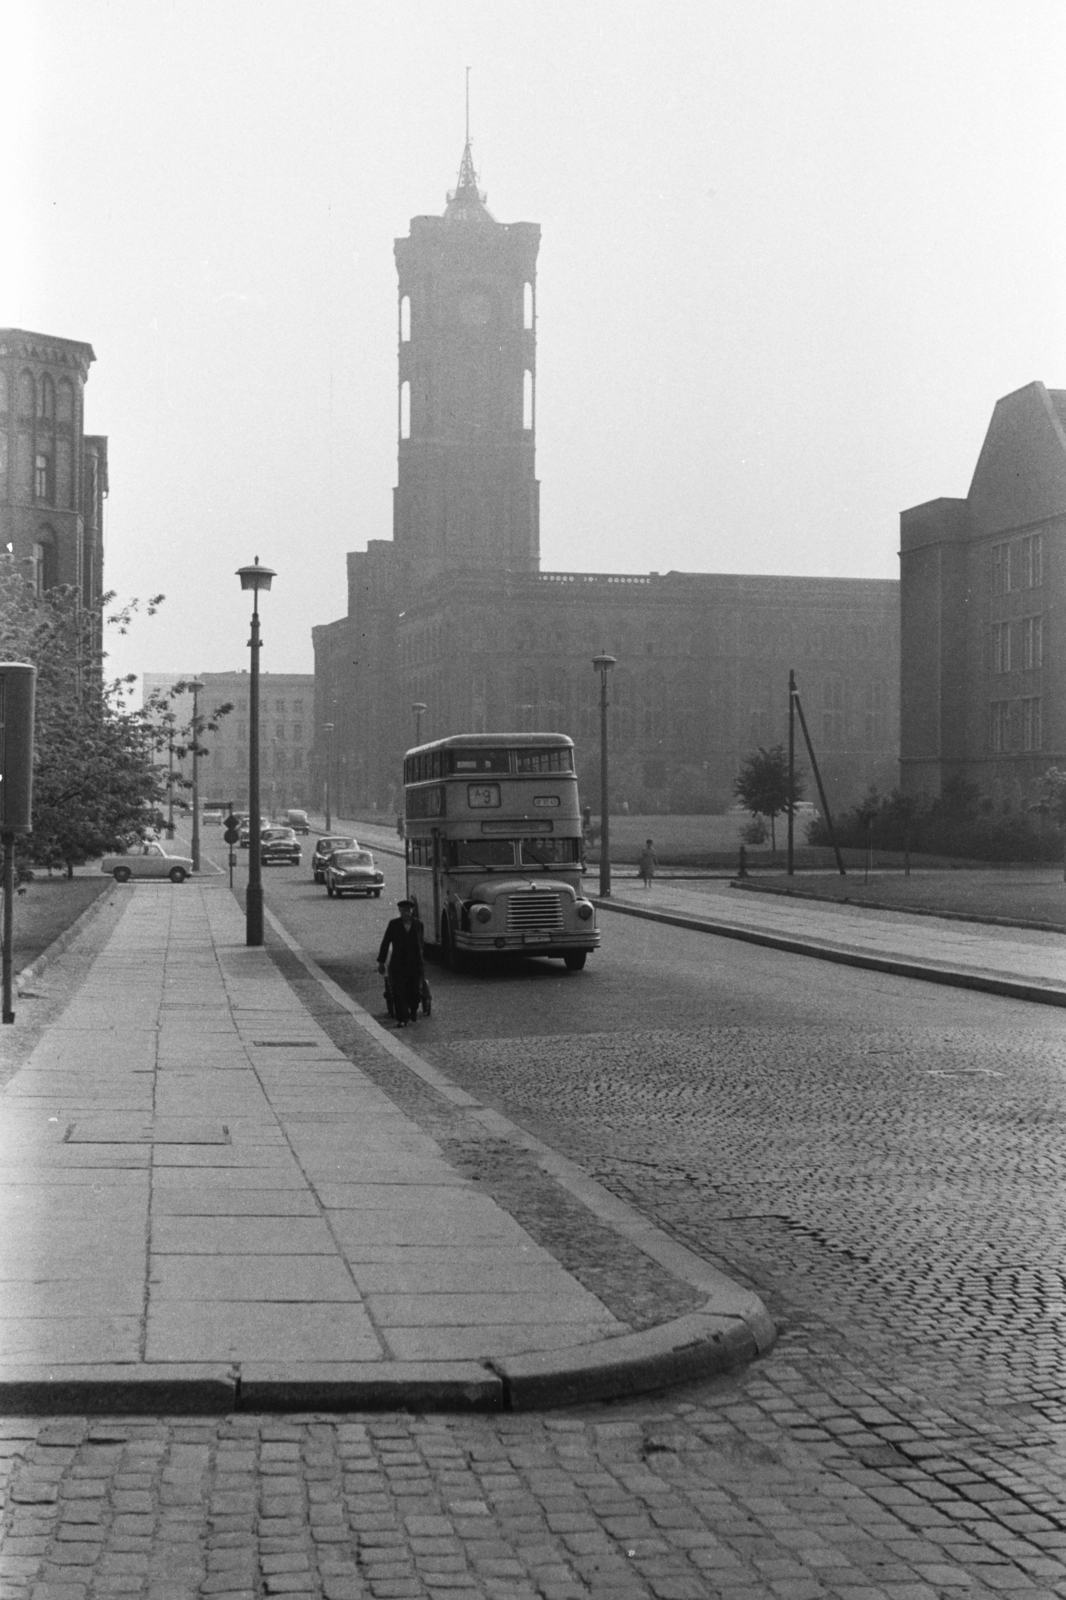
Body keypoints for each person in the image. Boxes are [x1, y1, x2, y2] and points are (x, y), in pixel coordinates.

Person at [377, 899, 425, 1027]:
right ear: (399, 911)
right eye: (403, 910)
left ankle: (413, 1010)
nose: (406, 913)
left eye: (408, 911)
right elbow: (386, 943)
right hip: (398, 964)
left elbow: (421, 945)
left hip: (414, 964)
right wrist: (381, 962)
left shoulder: (418, 925)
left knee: (415, 991)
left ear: (412, 911)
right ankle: (402, 1019)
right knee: (399, 992)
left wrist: (422, 962)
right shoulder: (394, 924)